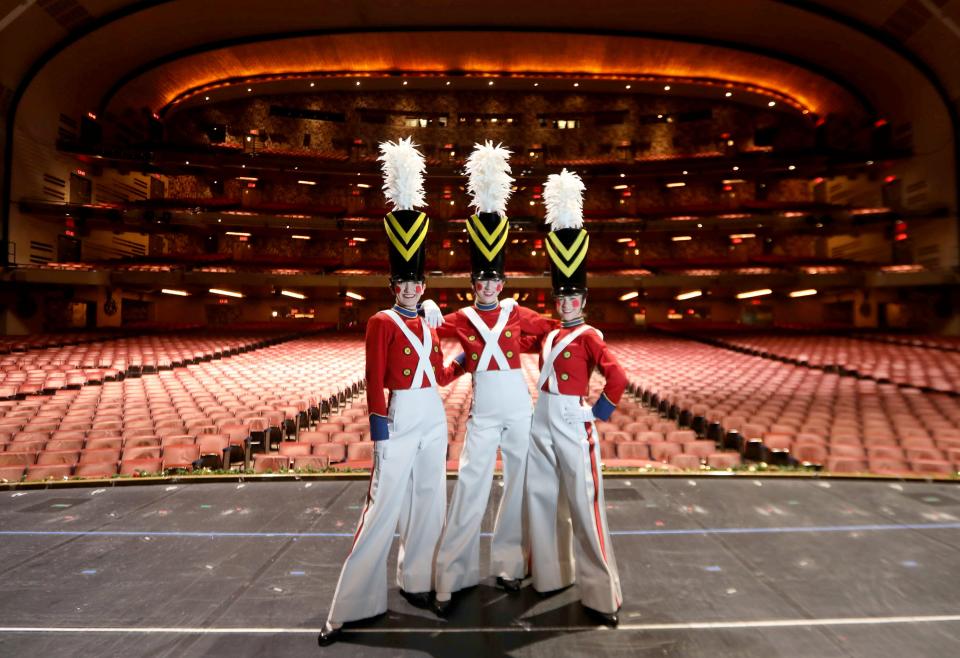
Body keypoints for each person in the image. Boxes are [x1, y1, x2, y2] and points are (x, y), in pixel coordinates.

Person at [319, 138, 464, 646]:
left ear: (423, 285)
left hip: (432, 415)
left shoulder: (429, 322)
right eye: (403, 282)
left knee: (430, 503)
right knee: (381, 508)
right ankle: (350, 606)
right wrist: (380, 431)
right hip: (399, 418)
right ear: (392, 283)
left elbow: (438, 377)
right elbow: (374, 378)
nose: (410, 289)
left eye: (416, 282)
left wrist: (462, 361)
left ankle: (417, 581)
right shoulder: (380, 322)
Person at [421, 142, 556, 616]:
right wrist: (427, 312)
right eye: (480, 280)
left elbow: (556, 333)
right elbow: (433, 338)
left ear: (503, 282)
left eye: (493, 280)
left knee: (518, 487)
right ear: (472, 283)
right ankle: (451, 577)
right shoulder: (459, 316)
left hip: (521, 411)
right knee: (470, 490)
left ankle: (509, 566)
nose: (487, 286)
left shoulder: (521, 314)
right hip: (482, 416)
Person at [524, 169, 626, 627]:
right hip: (539, 419)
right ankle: (551, 577)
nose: (567, 302)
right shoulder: (547, 334)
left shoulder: (589, 335)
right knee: (542, 501)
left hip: (571, 418)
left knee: (585, 507)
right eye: (561, 295)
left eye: (574, 295)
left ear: (583, 297)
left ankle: (602, 597)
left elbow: (618, 377)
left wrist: (595, 412)